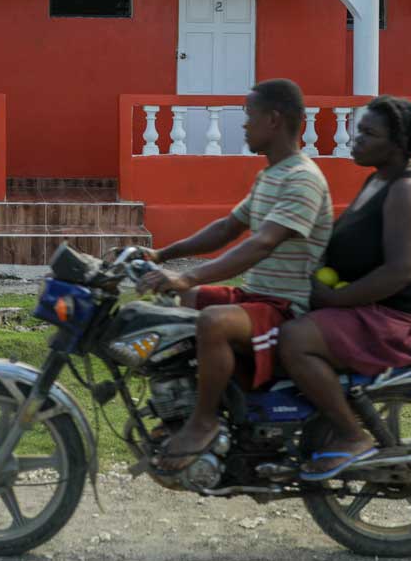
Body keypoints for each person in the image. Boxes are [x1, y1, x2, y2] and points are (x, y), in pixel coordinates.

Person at [137, 78, 333, 471]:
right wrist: (163, 253)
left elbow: (261, 243)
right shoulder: (270, 176)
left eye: (249, 117)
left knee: (211, 320)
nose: (244, 126)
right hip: (259, 298)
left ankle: (204, 422)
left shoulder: (303, 178)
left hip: (289, 309)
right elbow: (227, 228)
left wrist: (189, 276)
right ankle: (196, 406)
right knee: (179, 306)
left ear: (273, 120)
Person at [277, 95, 411, 481]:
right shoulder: (377, 179)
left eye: (369, 133)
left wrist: (334, 298)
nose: (357, 139)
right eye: (358, 130)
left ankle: (352, 435)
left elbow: (400, 271)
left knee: (294, 339)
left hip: (394, 318)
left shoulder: (407, 191)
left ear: (398, 142)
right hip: (363, 307)